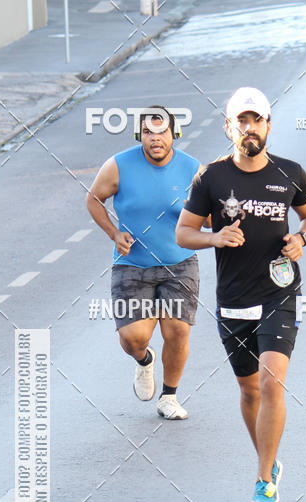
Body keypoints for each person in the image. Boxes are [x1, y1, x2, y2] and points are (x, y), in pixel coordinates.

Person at [176, 87, 306, 502]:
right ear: (229, 127)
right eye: (241, 121)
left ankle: (262, 482)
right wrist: (214, 237)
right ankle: (269, 461)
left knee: (270, 381)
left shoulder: (289, 172)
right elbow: (183, 232)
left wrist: (301, 238)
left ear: (268, 126)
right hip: (234, 298)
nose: (249, 128)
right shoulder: (211, 177)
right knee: (248, 392)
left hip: (279, 291)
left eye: (256, 120)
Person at [86, 105, 200, 419]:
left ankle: (170, 397)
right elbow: (93, 199)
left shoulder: (192, 169)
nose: (155, 138)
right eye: (148, 132)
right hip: (131, 264)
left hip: (180, 264)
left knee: (177, 330)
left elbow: (211, 211)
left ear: (173, 134)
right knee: (133, 337)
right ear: (141, 135)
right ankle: (144, 361)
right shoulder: (119, 165)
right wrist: (114, 233)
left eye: (162, 131)